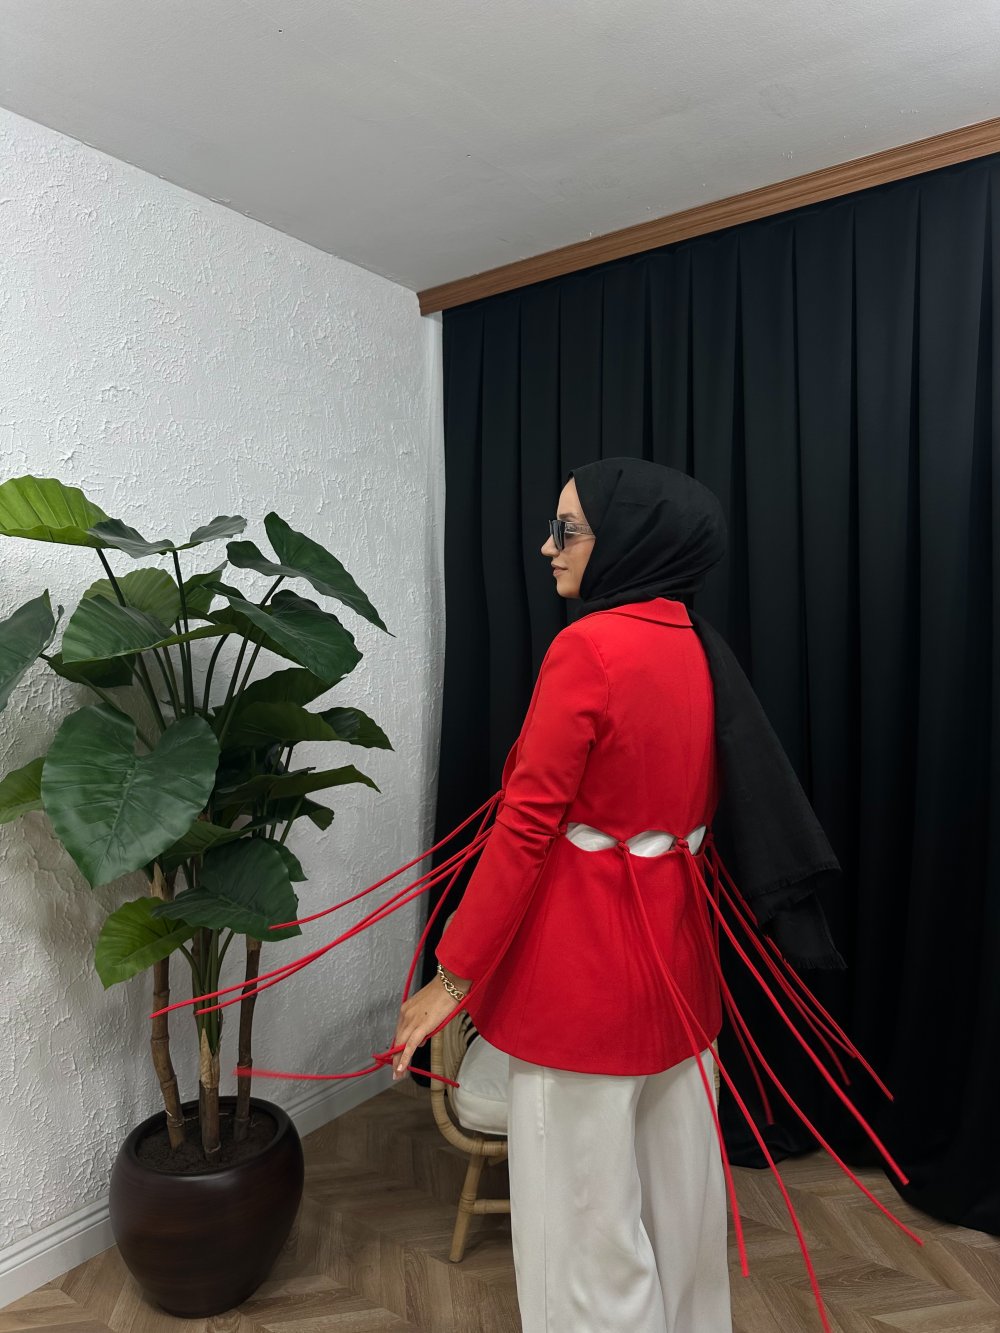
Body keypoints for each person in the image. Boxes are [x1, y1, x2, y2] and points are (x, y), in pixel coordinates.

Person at [167, 458, 923, 1333]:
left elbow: (523, 832)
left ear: (627, 538)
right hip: (681, 978)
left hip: (581, 987)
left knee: (583, 1239)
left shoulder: (588, 648)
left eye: (567, 528)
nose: (547, 546)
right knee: (681, 1212)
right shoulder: (696, 643)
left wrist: (451, 978)